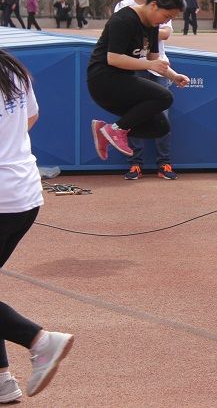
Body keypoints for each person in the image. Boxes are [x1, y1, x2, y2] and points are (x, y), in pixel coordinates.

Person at [0, 49, 75, 401]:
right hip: (23, 196)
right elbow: (31, 117)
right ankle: (2, 379)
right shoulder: (12, 68)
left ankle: (39, 340)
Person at [87, 0, 190, 159]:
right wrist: (149, 65)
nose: (165, 21)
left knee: (159, 126)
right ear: (153, 5)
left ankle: (106, 130)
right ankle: (116, 130)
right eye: (166, 16)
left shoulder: (151, 24)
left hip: (122, 81)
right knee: (164, 97)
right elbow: (114, 58)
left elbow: (154, 59)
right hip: (103, 81)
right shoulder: (124, 19)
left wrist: (174, 76)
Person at [113, 0, 178, 180]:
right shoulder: (123, 6)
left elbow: (166, 33)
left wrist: (141, 28)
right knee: (134, 116)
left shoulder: (162, 2)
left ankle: (164, 163)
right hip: (133, 67)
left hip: (158, 66)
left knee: (162, 116)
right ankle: (135, 164)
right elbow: (119, 33)